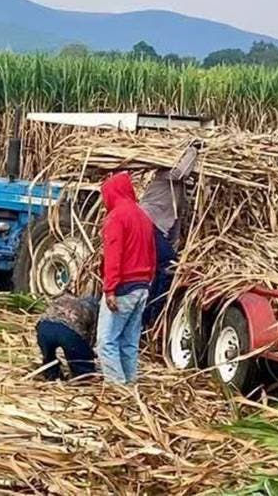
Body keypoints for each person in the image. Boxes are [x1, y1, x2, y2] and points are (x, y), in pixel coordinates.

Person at [96, 172, 156, 385]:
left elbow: (114, 254)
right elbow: (152, 253)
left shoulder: (116, 217)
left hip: (123, 287)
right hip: (142, 287)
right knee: (129, 342)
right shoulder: (143, 216)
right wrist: (147, 281)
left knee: (106, 342)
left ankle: (118, 390)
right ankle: (131, 387)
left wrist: (110, 288)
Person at [140, 142, 200, 330]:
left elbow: (176, 216)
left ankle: (148, 316)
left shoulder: (178, 187)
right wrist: (193, 150)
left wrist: (174, 243)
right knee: (169, 266)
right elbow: (180, 172)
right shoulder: (165, 175)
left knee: (160, 270)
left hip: (156, 229)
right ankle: (153, 314)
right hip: (148, 225)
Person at [36, 292, 99, 381]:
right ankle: (84, 378)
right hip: (67, 330)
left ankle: (52, 376)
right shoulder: (93, 310)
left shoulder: (67, 300)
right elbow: (91, 336)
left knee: (49, 357)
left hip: (44, 327)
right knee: (80, 359)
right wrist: (89, 352)